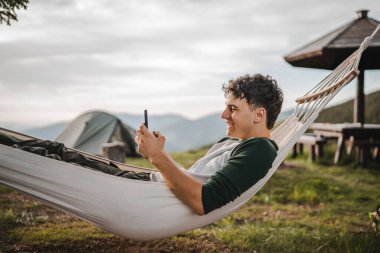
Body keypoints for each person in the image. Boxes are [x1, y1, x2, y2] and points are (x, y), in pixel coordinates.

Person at [135, 73, 283, 215]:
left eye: (232, 109)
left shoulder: (260, 150)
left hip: (148, 193)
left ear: (259, 115)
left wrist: (156, 155)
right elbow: (193, 176)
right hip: (150, 184)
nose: (223, 115)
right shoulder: (232, 143)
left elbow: (202, 201)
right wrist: (158, 149)